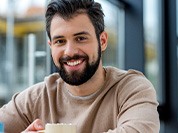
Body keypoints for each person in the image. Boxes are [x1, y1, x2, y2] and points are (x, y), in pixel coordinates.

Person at [0, 0, 160, 132]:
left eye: (81, 38)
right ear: (51, 46)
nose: (70, 51)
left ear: (102, 41)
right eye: (60, 41)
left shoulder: (132, 89)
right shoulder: (37, 97)